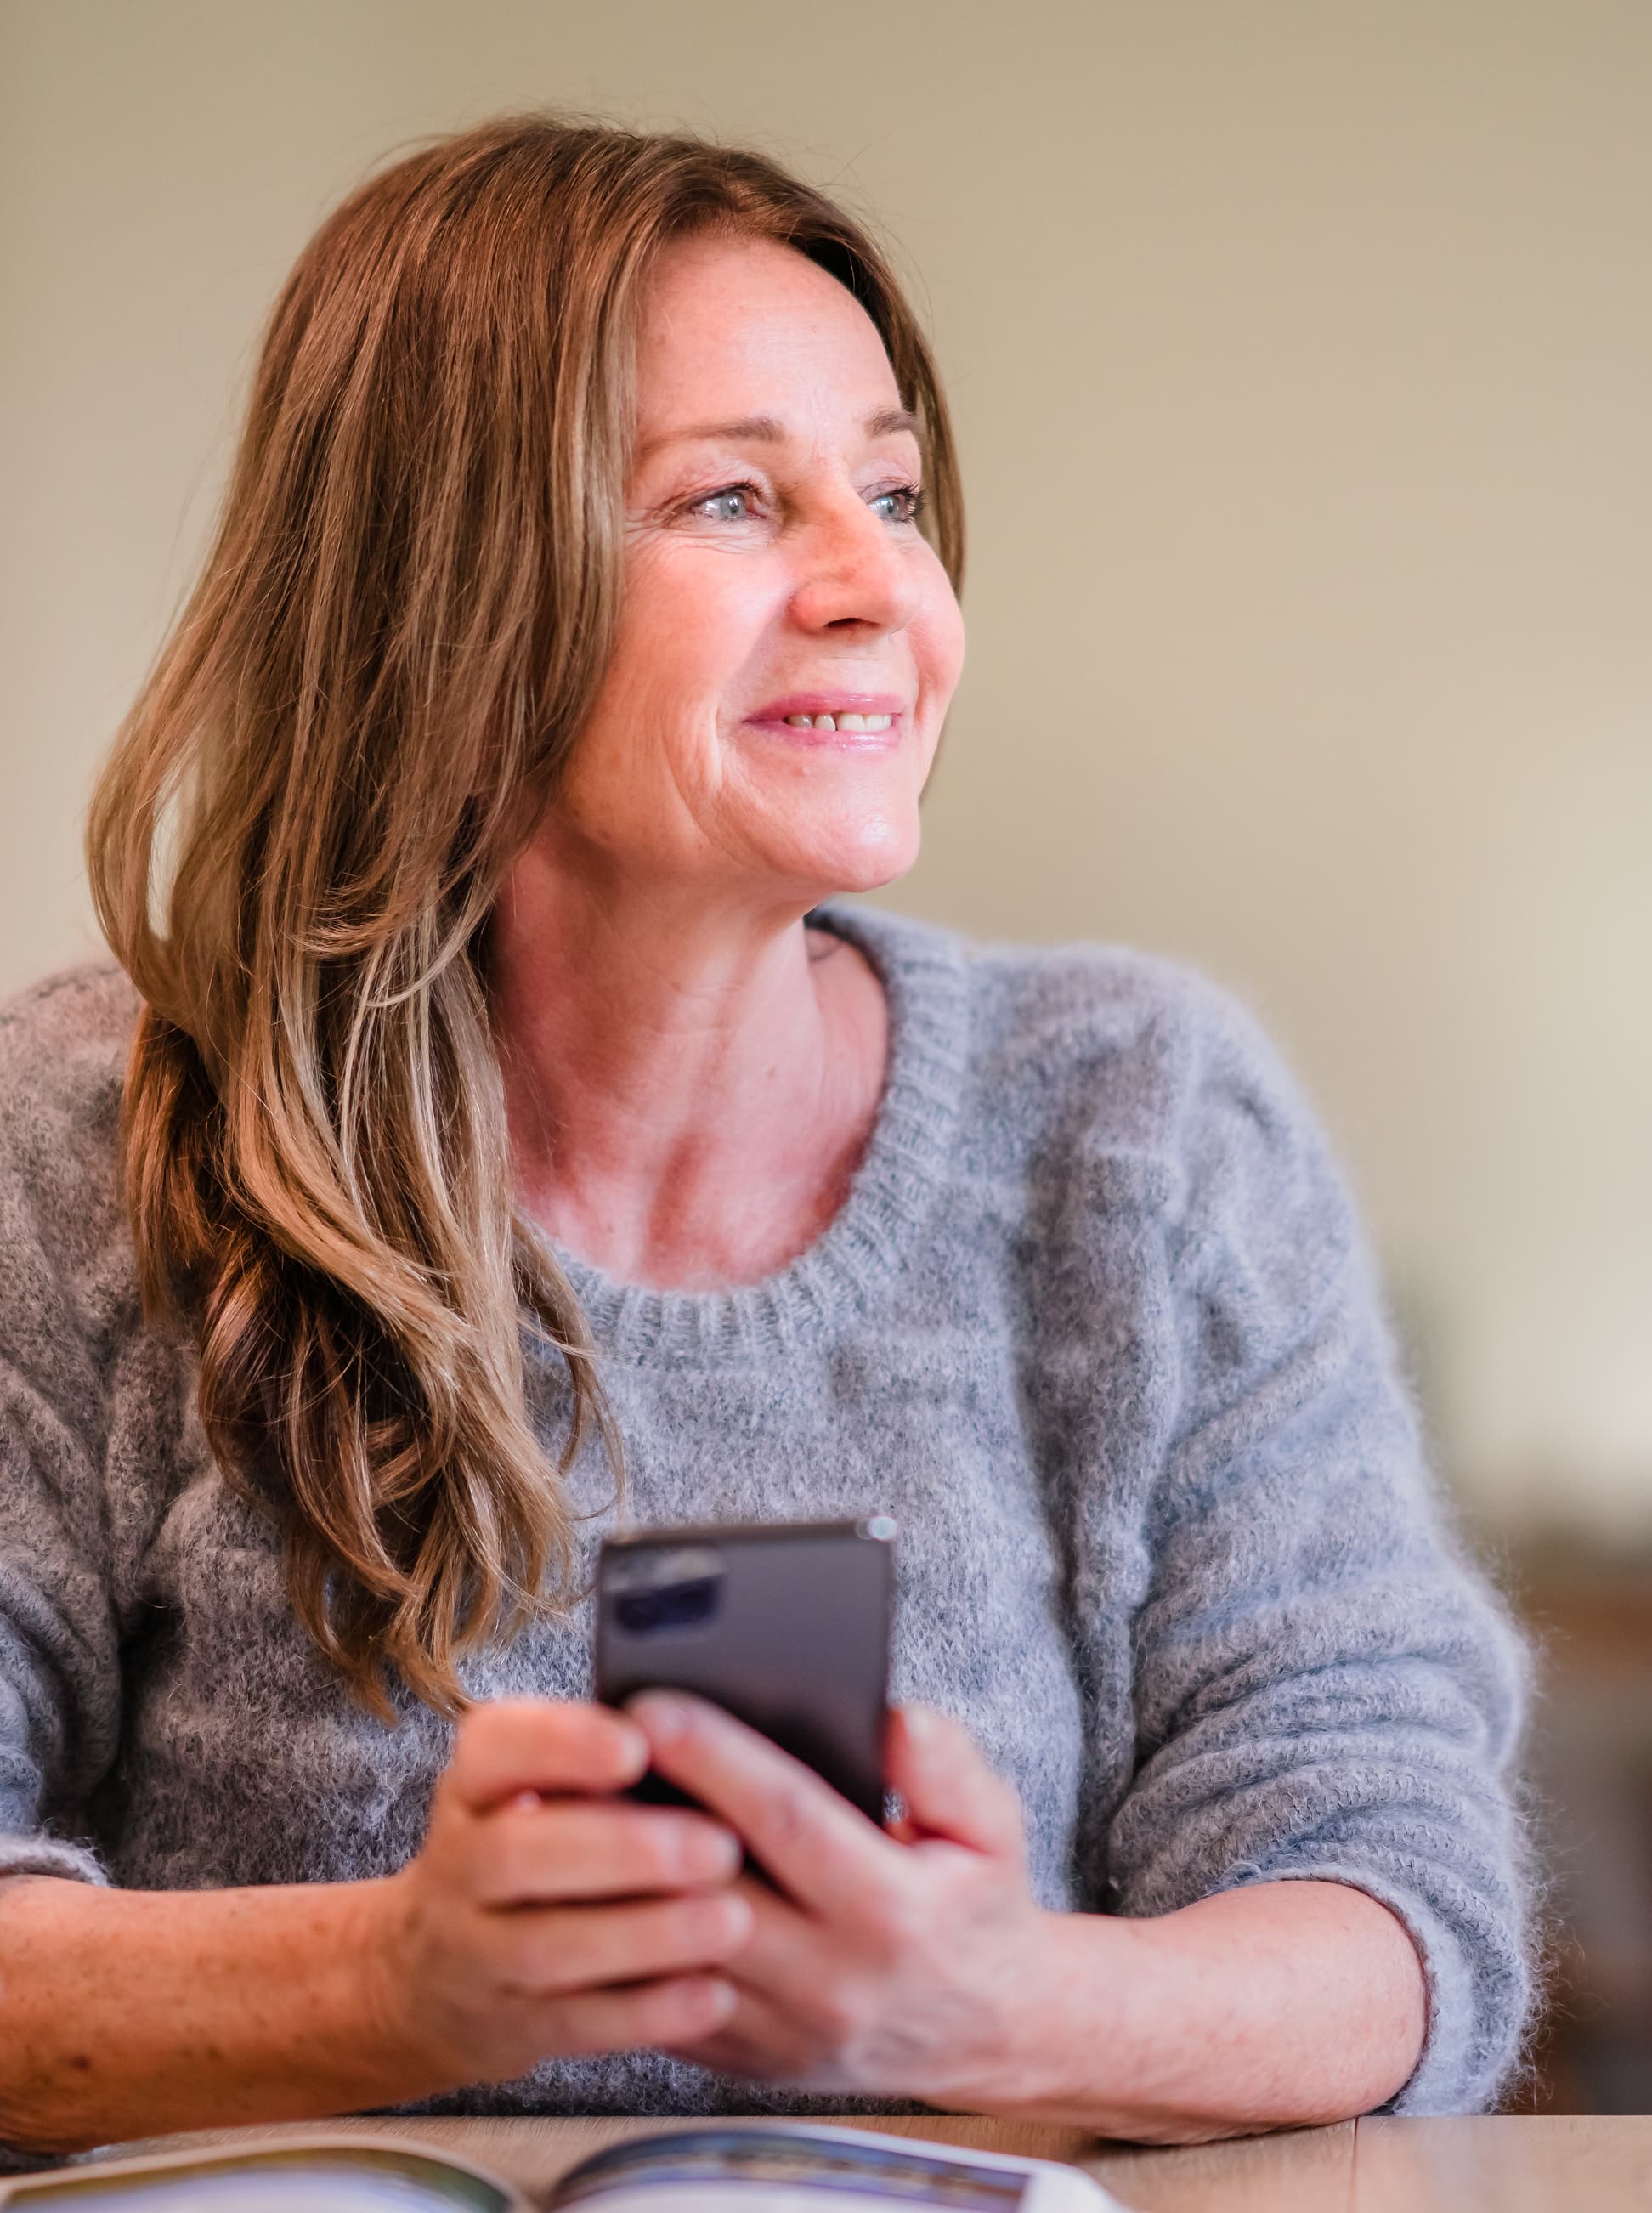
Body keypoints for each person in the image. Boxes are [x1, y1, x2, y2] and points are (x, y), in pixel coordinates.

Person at [0, 117, 1532, 2165]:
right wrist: (399, 1985)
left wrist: (983, 1995)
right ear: (444, 598)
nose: (874, 585)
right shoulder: (81, 1136)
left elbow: (1395, 1912)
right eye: (732, 498)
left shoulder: (1140, 1129)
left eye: (891, 493)